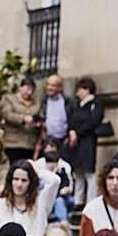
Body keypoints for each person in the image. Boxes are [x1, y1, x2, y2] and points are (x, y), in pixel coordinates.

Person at [0, 160, 61, 236]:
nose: (19, 184)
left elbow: (55, 180)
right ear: (10, 181)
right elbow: (4, 234)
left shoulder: (41, 201)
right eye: (16, 179)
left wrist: (35, 170)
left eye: (24, 180)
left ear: (31, 182)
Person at [66, 77, 103, 207]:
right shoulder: (76, 105)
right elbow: (71, 120)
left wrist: (78, 132)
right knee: (78, 171)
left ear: (87, 90)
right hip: (76, 143)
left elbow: (93, 122)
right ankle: (78, 200)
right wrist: (71, 131)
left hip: (88, 141)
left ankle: (91, 201)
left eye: (80, 90)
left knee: (89, 171)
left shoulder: (95, 104)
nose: (78, 93)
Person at [0, 75, 41, 165]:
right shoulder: (9, 99)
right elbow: (6, 114)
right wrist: (23, 118)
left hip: (29, 143)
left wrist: (38, 123)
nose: (29, 92)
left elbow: (40, 116)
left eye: (31, 90)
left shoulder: (36, 103)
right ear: (20, 88)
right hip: (13, 142)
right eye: (27, 89)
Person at [32, 136, 73, 223]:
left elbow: (68, 184)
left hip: (60, 196)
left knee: (62, 201)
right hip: (43, 196)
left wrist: (66, 190)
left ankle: (63, 223)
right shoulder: (38, 164)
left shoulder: (63, 167)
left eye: (52, 146)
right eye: (47, 147)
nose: (49, 149)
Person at [39, 74, 71, 149]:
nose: (49, 88)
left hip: (64, 139)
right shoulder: (44, 101)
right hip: (48, 140)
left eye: (53, 85)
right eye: (48, 85)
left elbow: (72, 119)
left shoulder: (67, 101)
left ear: (59, 88)